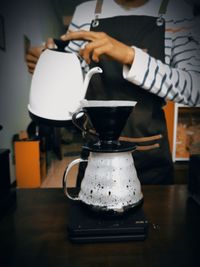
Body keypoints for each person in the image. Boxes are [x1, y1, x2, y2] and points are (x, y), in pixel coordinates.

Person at [26, 0, 200, 185]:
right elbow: (75, 80)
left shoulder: (178, 12)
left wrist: (130, 56)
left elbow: (195, 90)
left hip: (150, 160)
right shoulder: (85, 13)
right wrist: (51, 63)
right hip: (95, 154)